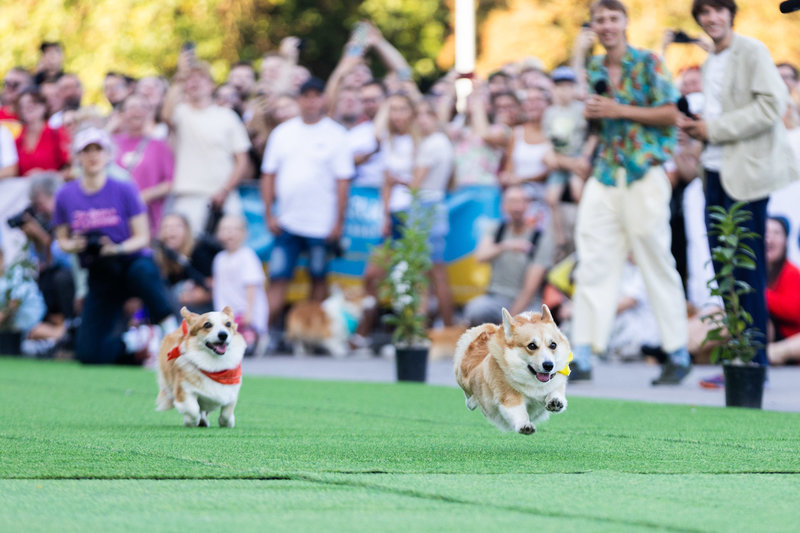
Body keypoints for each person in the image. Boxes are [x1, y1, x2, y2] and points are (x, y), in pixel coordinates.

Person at [571, 0, 691, 384]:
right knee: (592, 260)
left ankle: (677, 350)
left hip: (644, 172)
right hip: (606, 172)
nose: (605, 25)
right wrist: (593, 123)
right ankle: (583, 354)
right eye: (599, 20)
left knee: (655, 260)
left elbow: (672, 113)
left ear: (624, 22)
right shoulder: (594, 67)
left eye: (612, 18)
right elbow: (596, 118)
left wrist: (617, 110)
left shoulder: (648, 62)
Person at [678, 0, 799, 369]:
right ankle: (738, 357)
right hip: (712, 174)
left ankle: (756, 362)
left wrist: (713, 129)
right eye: (704, 13)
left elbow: (770, 106)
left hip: (746, 177)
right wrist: (699, 125)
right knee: (723, 271)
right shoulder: (711, 59)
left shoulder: (753, 50)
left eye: (718, 10)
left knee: (748, 272)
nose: (711, 18)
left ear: (731, 13)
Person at [53, 127, 176, 365]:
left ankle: (170, 330)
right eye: (86, 151)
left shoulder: (124, 188)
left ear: (108, 154)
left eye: (98, 149)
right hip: (99, 270)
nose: (92, 156)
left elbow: (142, 237)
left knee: (144, 270)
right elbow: (62, 239)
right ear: (77, 157)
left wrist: (116, 248)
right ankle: (138, 344)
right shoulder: (65, 195)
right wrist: (74, 245)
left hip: (129, 261)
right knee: (89, 355)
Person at [260, 76, 354, 338]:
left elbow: (343, 182)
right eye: (306, 96)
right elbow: (268, 174)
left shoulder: (336, 134)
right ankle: (259, 335)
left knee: (318, 278)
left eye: (316, 96)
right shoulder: (282, 133)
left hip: (321, 224)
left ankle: (314, 335)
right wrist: (269, 213)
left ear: (323, 99)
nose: (311, 102)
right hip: (287, 221)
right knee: (278, 277)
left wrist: (338, 222)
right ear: (299, 99)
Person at [161, 58, 251, 235]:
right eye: (190, 79)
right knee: (190, 250)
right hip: (189, 196)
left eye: (200, 77)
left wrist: (225, 191)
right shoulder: (181, 112)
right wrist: (179, 80)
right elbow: (166, 115)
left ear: (211, 85)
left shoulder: (227, 116)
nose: (195, 82)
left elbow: (242, 160)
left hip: (224, 196)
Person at [463, 185, 553, 325]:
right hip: (496, 299)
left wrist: (507, 322)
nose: (517, 207)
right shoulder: (496, 230)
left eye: (522, 202)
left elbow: (529, 290)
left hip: (527, 303)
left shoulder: (540, 238)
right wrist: (506, 246)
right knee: (475, 309)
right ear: (503, 205)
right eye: (512, 202)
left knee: (531, 322)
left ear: (528, 205)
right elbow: (480, 257)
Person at [412, 98, 455, 327]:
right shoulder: (442, 142)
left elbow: (415, 184)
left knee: (434, 273)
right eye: (418, 115)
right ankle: (442, 326)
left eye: (426, 114)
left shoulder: (432, 143)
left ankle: (446, 327)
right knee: (432, 273)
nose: (421, 120)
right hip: (434, 205)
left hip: (426, 209)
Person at [113, 94, 174, 235]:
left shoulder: (159, 145)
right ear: (122, 114)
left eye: (142, 107)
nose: (137, 111)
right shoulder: (112, 144)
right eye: (132, 107)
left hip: (148, 217)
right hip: (118, 215)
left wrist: (142, 197)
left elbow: (169, 183)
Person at [212, 215, 268, 351]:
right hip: (227, 313)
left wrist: (249, 312)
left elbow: (251, 285)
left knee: (243, 335)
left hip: (245, 311)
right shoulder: (219, 259)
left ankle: (255, 338)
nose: (229, 233)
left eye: (234, 229)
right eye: (225, 229)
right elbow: (219, 288)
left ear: (244, 234)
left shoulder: (247, 256)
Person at [154, 213, 215, 314]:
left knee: (178, 290)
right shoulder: (163, 257)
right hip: (180, 309)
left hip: (204, 310)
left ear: (187, 230)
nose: (171, 230)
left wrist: (195, 296)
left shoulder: (199, 251)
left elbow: (213, 286)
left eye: (177, 226)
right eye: (166, 227)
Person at [764, 217, 800, 365]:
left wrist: (758, 293)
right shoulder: (757, 272)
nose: (770, 239)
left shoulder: (791, 272)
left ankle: (769, 353)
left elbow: (794, 310)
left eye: (776, 233)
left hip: (788, 339)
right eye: (766, 233)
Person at [14, 88, 70, 177]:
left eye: (32, 104)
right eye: (22, 106)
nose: (27, 109)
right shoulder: (17, 140)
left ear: (44, 106)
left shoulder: (56, 134)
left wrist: (46, 176)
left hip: (53, 187)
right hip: (24, 188)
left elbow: (71, 169)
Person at [1, 67, 32, 138]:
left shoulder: (34, 119)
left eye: (15, 85)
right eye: (6, 83)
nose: (8, 88)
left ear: (28, 87)